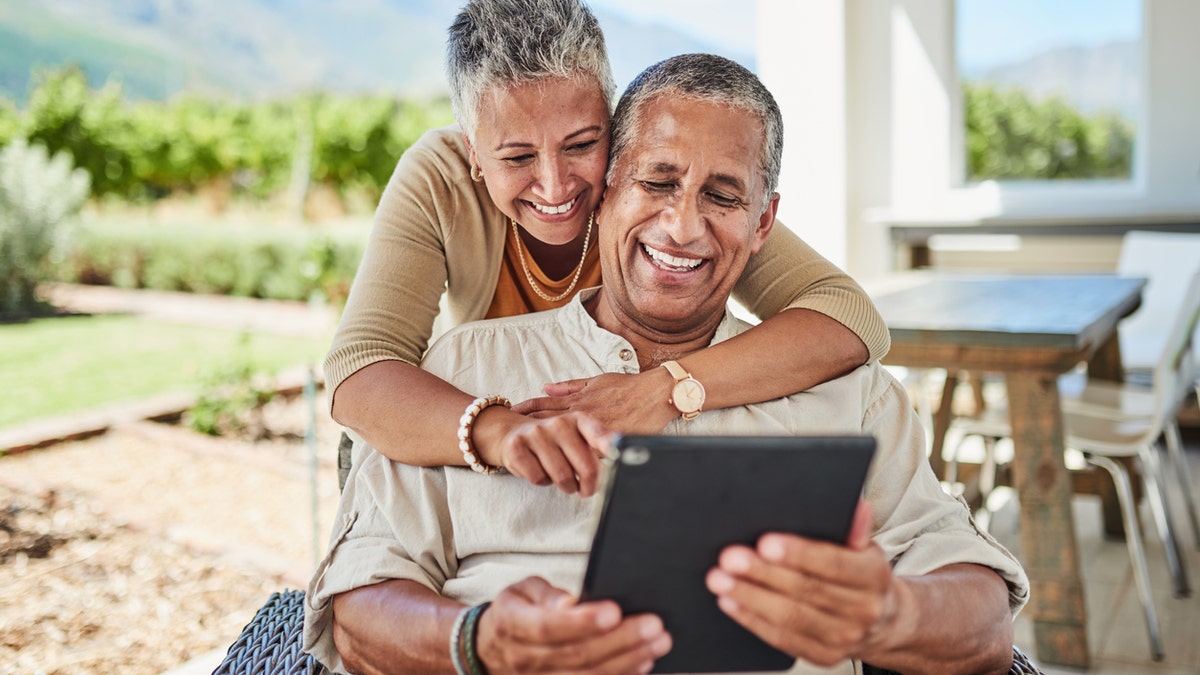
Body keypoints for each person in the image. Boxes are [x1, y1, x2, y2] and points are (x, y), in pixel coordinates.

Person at [303, 53, 1030, 674]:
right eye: (657, 183)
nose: (683, 226)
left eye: (722, 196)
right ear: (607, 189)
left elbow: (986, 622)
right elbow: (357, 606)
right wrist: (480, 639)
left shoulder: (850, 394)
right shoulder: (460, 371)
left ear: (762, 224)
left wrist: (890, 616)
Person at [323, 0, 892, 495]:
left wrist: (668, 390)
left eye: (582, 144)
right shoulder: (440, 178)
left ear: (615, 125)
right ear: (474, 151)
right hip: (498, 456)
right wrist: (502, 432)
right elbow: (358, 369)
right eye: (517, 157)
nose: (556, 185)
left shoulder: (656, 183)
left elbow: (848, 316)